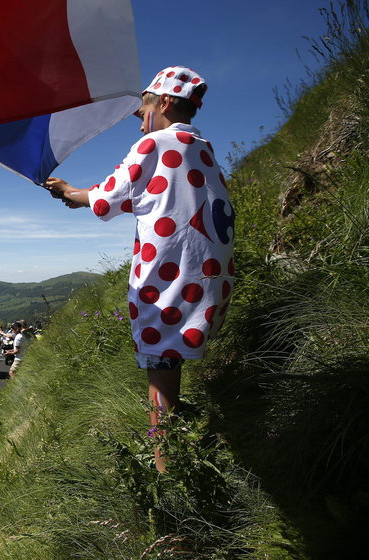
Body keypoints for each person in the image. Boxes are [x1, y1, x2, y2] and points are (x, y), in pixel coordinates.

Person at [44, 66, 235, 471]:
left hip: (169, 270)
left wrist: (68, 191)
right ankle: (180, 431)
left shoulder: (155, 143)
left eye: (143, 104)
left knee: (158, 366)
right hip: (211, 272)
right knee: (171, 357)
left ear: (163, 102)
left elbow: (108, 197)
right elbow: (155, 197)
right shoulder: (200, 148)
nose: (137, 115)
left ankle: (167, 476)